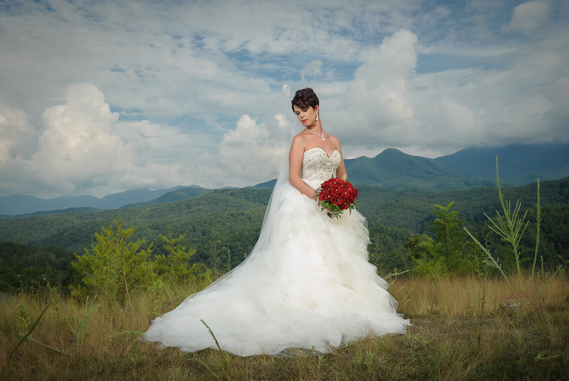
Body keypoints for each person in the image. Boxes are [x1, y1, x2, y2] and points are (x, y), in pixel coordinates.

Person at [142, 88, 410, 356]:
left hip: (335, 209)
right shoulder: (299, 140)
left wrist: (342, 195)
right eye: (296, 113)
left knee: (342, 259)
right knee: (309, 260)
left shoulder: (335, 141)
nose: (301, 117)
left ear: (317, 108)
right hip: (307, 204)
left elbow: (343, 174)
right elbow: (294, 178)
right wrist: (321, 198)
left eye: (304, 110)